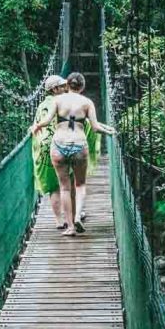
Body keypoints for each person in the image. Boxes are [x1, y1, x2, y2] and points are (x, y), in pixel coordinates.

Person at [29, 71, 115, 237]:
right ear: (82, 86)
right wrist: (110, 131)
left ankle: (70, 227)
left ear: (67, 85)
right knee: (80, 185)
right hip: (78, 145)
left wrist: (36, 126)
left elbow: (46, 121)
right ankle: (77, 216)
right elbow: (96, 127)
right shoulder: (87, 102)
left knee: (64, 188)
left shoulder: (58, 100)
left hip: (58, 145)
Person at [31, 75, 67, 228]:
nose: (66, 88)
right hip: (60, 144)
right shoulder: (62, 102)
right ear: (54, 89)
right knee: (67, 182)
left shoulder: (41, 106)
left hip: (44, 149)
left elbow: (38, 124)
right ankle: (73, 214)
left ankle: (59, 220)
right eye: (62, 86)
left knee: (53, 186)